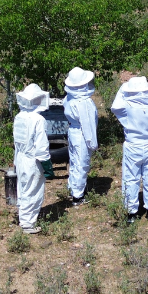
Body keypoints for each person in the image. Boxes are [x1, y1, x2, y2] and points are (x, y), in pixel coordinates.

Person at [112, 75, 148, 220]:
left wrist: (122, 88)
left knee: (130, 178)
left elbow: (114, 106)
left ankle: (131, 212)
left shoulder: (125, 107)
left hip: (132, 146)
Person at [12, 83, 51, 234]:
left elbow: (16, 141)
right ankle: (28, 224)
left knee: (22, 188)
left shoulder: (19, 117)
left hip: (20, 157)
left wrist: (16, 160)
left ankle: (23, 218)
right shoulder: (38, 119)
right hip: (32, 160)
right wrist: (47, 165)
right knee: (33, 190)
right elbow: (41, 146)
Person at [62, 67, 98, 207]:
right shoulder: (84, 103)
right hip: (82, 135)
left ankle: (73, 188)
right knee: (82, 164)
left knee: (74, 161)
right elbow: (88, 126)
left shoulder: (69, 98)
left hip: (72, 132)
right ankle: (78, 196)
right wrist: (93, 143)